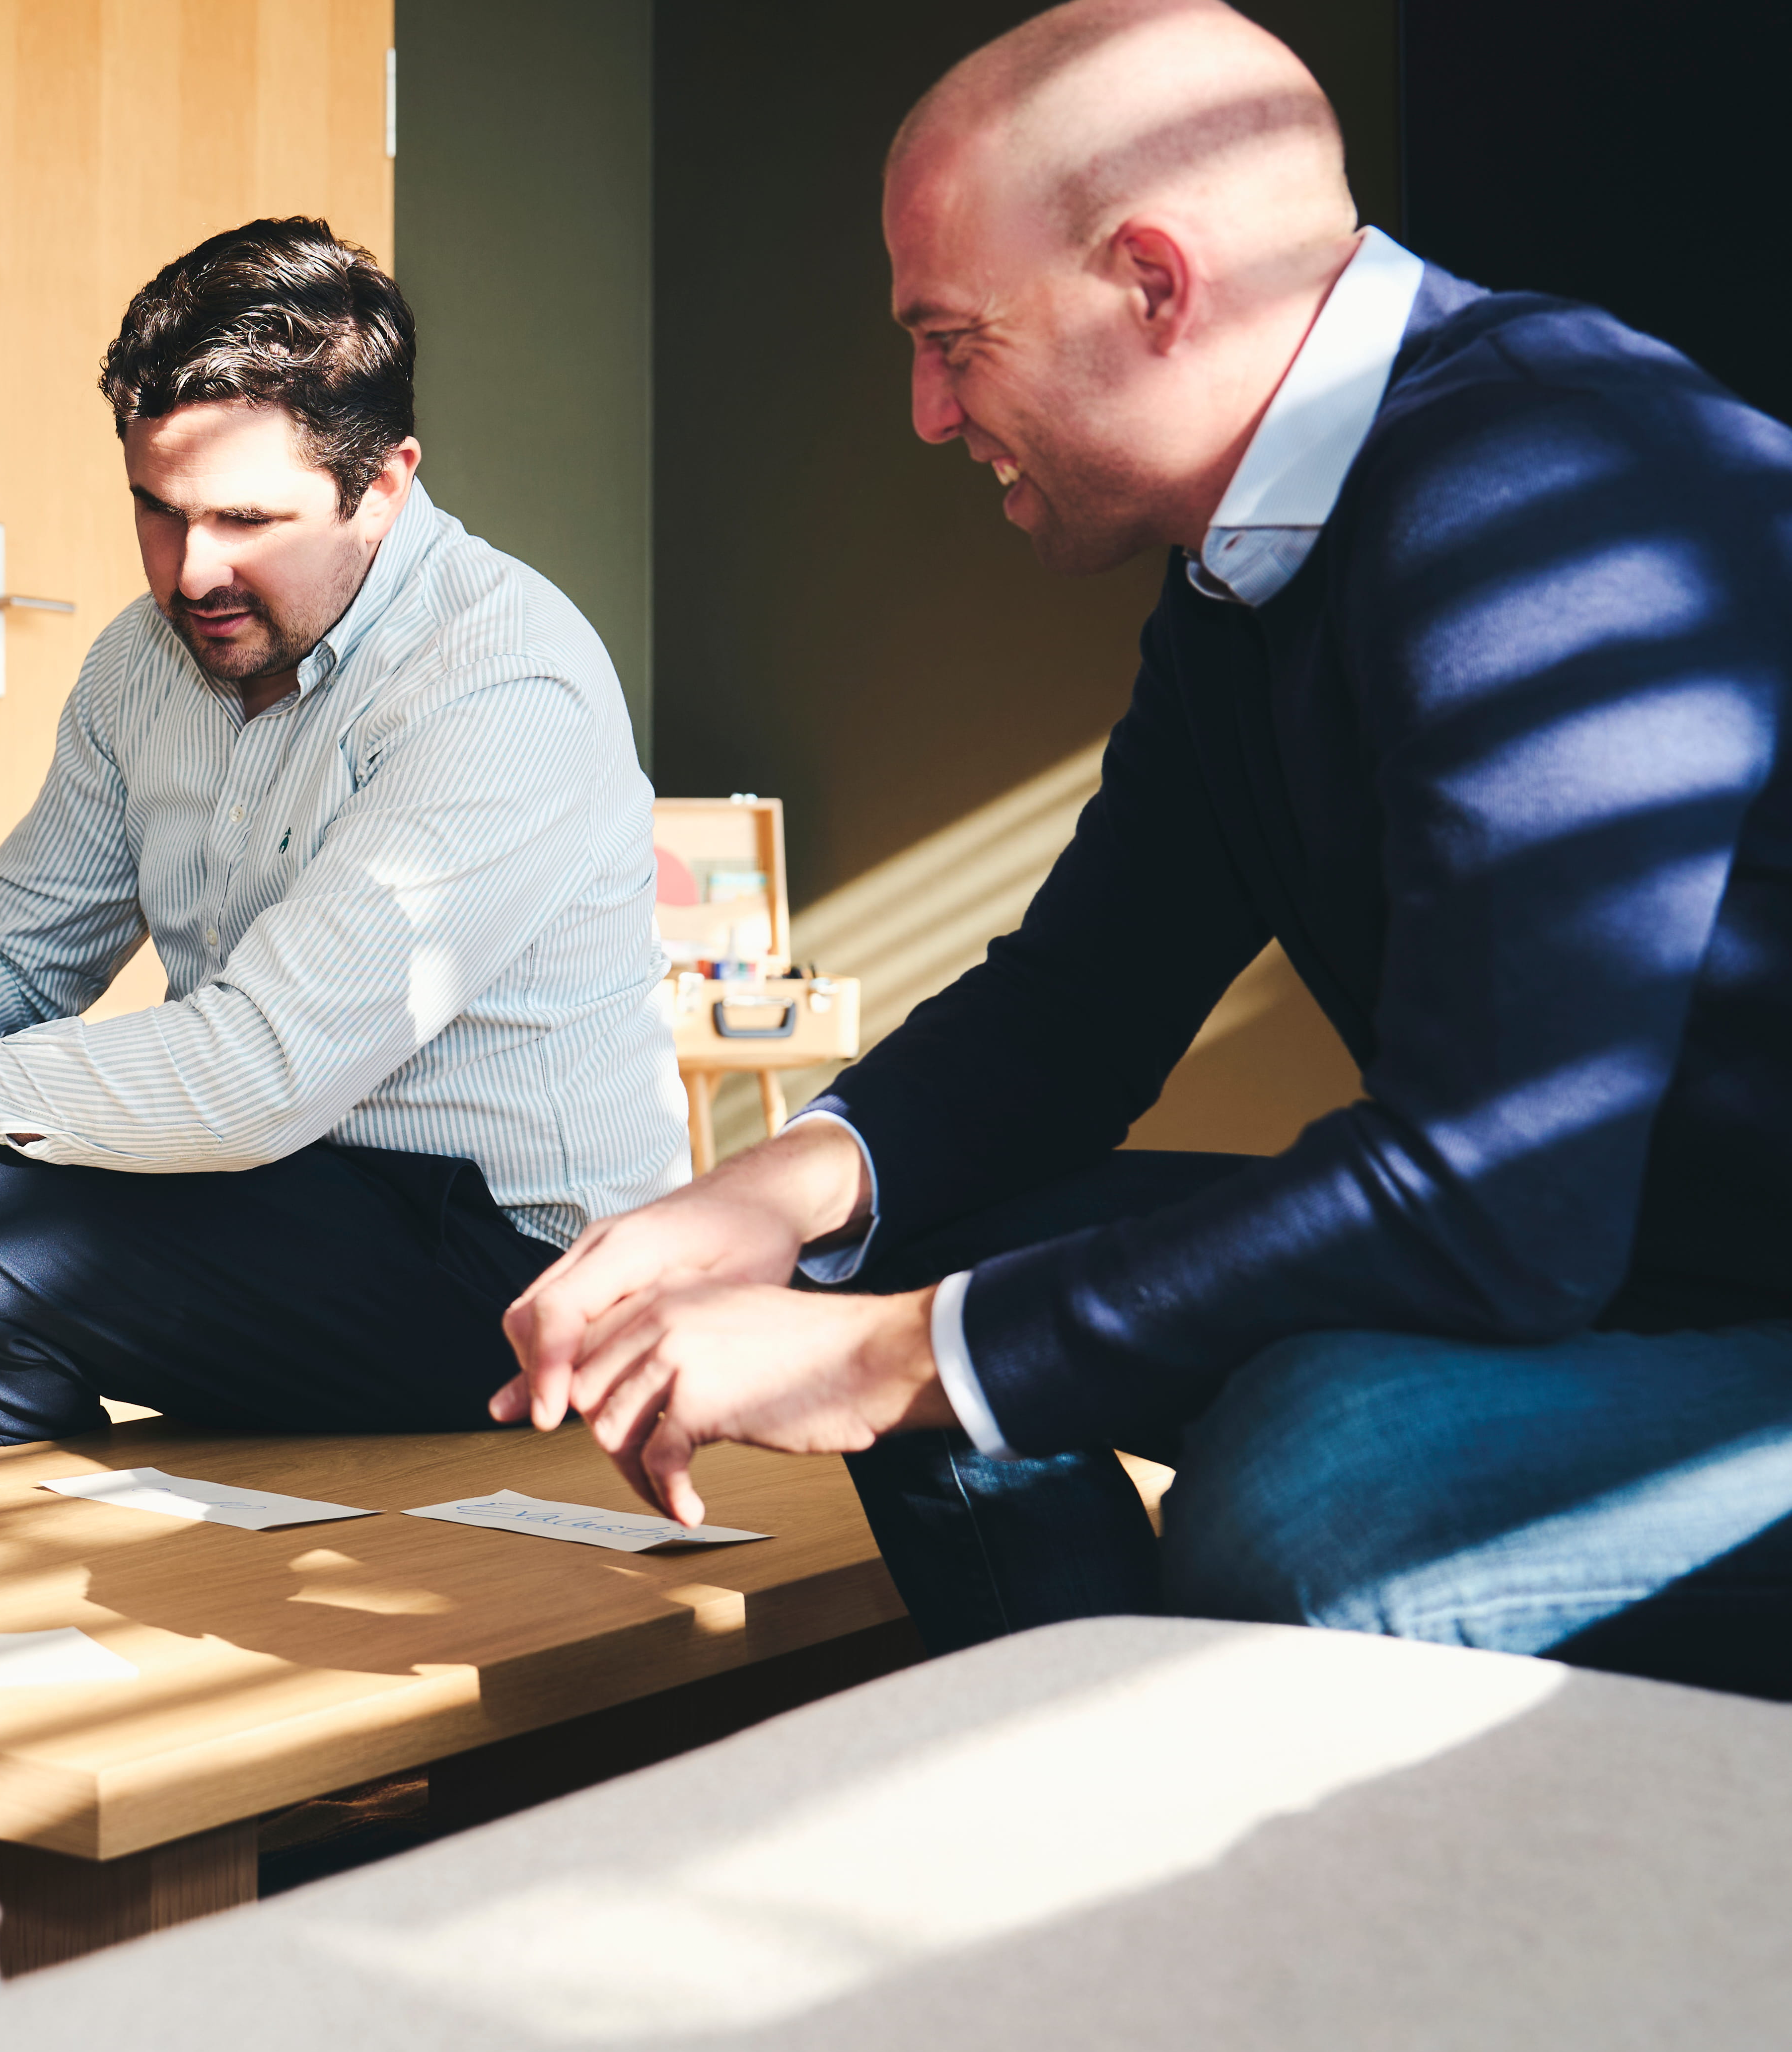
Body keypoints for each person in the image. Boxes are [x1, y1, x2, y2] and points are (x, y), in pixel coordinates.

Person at [498, 0, 1792, 1698]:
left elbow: (1494, 1199)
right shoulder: (1241, 576)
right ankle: (1057, 1766)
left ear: (1154, 285)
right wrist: (757, 1201)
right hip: (1629, 1260)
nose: (923, 413)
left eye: (949, 340)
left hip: (1704, 1296)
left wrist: (879, 1361)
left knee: (1315, 1489)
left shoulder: (1548, 486)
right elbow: (1076, 1008)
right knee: (903, 1240)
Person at [0, 218, 683, 1458]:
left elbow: (259, 1074)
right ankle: (37, 1528)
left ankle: (44, 1558)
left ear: (382, 486)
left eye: (246, 519)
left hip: (520, 1272)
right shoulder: (143, 661)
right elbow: (16, 957)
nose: (191, 574)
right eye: (159, 513)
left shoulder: (500, 680)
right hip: (294, 1192)